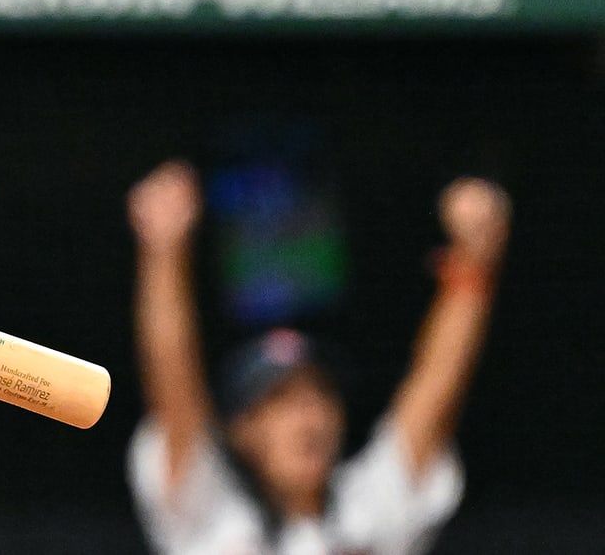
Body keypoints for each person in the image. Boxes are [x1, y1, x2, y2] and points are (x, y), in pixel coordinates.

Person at [126, 160, 509, 555]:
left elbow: (435, 389)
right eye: (281, 400)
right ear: (243, 430)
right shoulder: (210, 509)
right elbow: (173, 383)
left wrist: (473, 265)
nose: (310, 416)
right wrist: (163, 256)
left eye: (320, 395)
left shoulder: (369, 509)